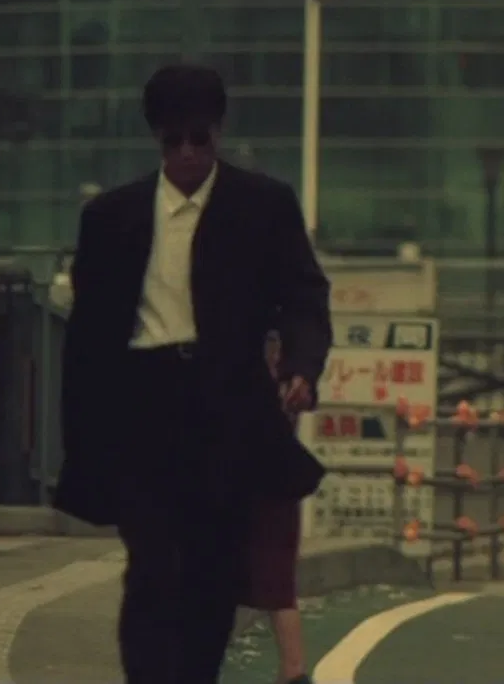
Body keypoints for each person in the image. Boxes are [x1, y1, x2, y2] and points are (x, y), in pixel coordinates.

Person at [54, 64, 332, 684]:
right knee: (152, 566)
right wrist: (82, 435)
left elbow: (304, 296)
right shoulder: (111, 217)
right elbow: (88, 335)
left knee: (213, 569)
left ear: (218, 133)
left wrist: (302, 367)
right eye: (172, 140)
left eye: (198, 138)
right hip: (142, 404)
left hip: (226, 406)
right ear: (156, 138)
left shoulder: (262, 206)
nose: (186, 153)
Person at [243, 331, 310, 684]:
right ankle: (293, 671)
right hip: (280, 483)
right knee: (279, 585)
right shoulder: (295, 374)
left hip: (256, 486)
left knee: (273, 584)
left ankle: (293, 670)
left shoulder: (250, 377)